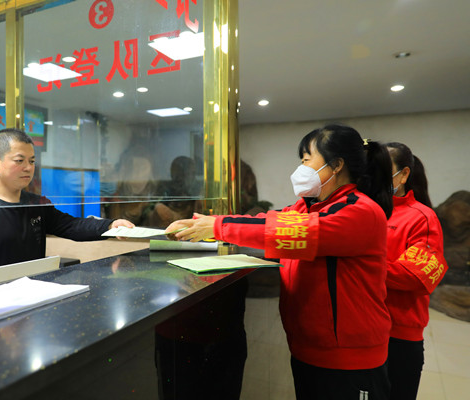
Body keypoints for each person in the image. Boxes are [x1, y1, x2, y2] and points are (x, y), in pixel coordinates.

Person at [166, 124, 394, 399]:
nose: (301, 168)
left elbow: (291, 231)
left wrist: (217, 227)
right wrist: (208, 224)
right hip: (308, 348)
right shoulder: (307, 206)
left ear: (336, 165)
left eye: (307, 159)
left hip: (348, 358)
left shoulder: (360, 211)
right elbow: (266, 221)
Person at [0, 128, 133, 273]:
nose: (28, 168)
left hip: (31, 297)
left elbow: (72, 226)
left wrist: (110, 226)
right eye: (19, 160)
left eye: (32, 161)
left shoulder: (37, 205)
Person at [385, 142, 448, 400]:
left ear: (403, 175)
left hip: (399, 334)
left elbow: (417, 276)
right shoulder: (365, 211)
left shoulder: (421, 217)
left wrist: (361, 267)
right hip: (363, 329)